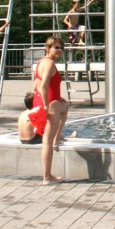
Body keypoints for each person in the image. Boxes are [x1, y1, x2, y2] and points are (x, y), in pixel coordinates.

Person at [33, 36, 69, 184]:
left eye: (61, 47)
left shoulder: (41, 62)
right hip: (50, 103)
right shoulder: (49, 64)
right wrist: (46, 105)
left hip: (46, 100)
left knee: (66, 106)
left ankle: (57, 137)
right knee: (46, 141)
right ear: (48, 48)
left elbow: (36, 86)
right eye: (56, 47)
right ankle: (47, 177)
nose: (59, 50)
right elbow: (44, 85)